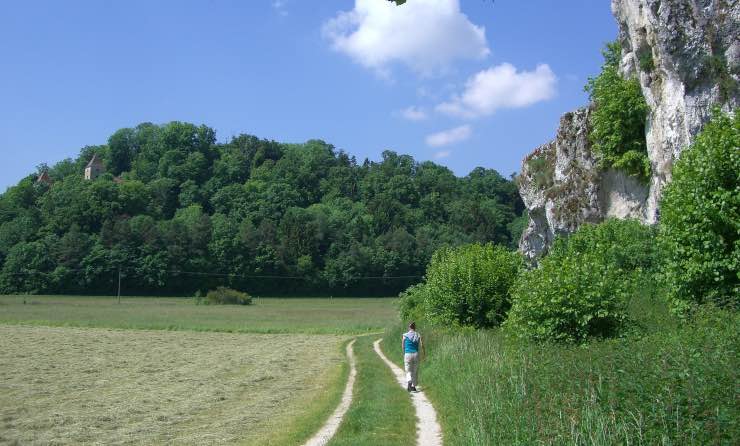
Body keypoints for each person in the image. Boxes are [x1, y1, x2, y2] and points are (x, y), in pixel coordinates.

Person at [401, 321, 423, 392]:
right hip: (415, 354)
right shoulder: (418, 335)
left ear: (409, 327)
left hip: (407, 354)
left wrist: (404, 353)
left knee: (408, 370)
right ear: (415, 327)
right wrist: (424, 353)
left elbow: (403, 346)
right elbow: (422, 345)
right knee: (415, 371)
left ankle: (409, 381)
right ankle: (413, 386)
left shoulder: (405, 335)